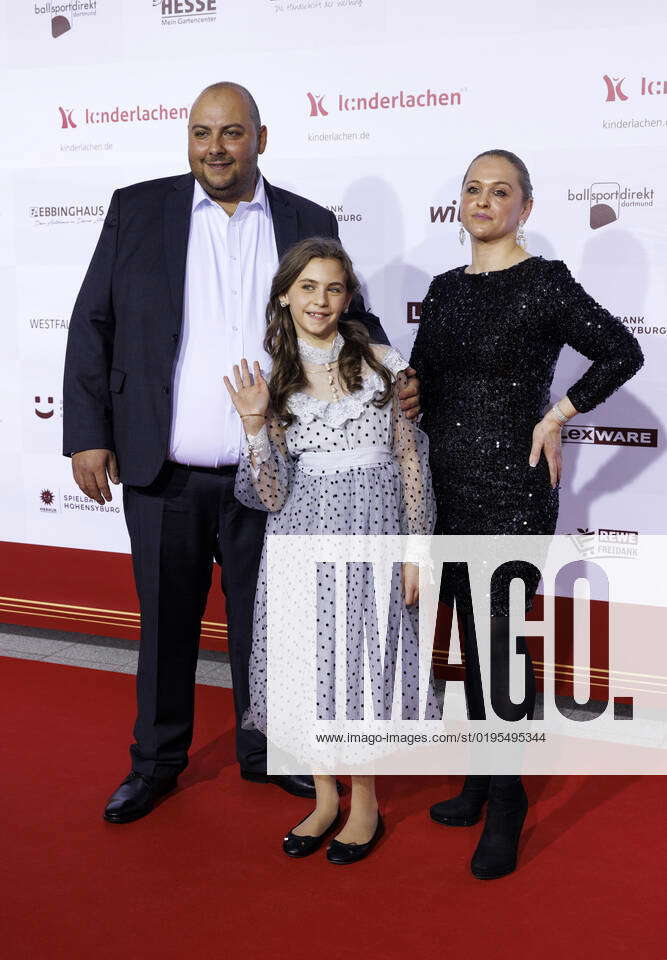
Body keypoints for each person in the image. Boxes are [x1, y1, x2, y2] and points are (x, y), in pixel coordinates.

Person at [63, 81, 420, 824]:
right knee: (165, 626)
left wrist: (398, 377)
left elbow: (348, 311)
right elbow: (91, 322)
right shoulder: (138, 208)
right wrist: (88, 433)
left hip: (276, 472)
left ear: (261, 137)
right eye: (201, 133)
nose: (214, 148)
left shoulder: (305, 219)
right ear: (188, 138)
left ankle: (271, 752)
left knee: (276, 624)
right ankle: (156, 764)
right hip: (165, 468)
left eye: (231, 133)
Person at [410, 148, 644, 879]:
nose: (483, 200)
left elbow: (620, 351)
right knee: (472, 647)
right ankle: (481, 778)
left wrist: (559, 414)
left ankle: (506, 799)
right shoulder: (444, 291)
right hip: (447, 489)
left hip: (511, 494)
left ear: (525, 208)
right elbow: (425, 387)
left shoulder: (543, 282)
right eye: (472, 189)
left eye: (499, 190)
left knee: (499, 647)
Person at [224, 237, 437, 863]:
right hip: (300, 534)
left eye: (334, 288)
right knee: (309, 670)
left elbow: (409, 460)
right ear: (285, 294)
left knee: (362, 667)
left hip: (373, 532)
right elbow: (267, 493)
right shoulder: (270, 378)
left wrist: (417, 549)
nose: (321, 300)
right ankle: (323, 799)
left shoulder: (380, 364)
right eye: (308, 287)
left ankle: (364, 802)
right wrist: (255, 426)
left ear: (348, 297)